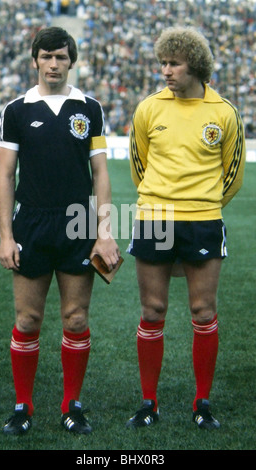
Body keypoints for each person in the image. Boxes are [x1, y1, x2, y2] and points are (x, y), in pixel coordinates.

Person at [0, 26, 120, 435]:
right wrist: (5, 236)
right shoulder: (16, 110)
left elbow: (100, 172)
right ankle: (23, 406)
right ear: (35, 60)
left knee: (75, 318)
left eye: (61, 57)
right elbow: (6, 175)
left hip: (78, 221)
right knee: (28, 319)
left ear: (71, 61)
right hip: (30, 222)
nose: (53, 64)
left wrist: (104, 231)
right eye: (46, 56)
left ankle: (72, 406)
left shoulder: (90, 108)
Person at [126, 26, 246, 430]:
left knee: (202, 310)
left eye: (173, 63)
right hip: (154, 217)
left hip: (203, 221)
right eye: (163, 63)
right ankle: (148, 402)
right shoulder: (148, 109)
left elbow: (233, 174)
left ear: (194, 65)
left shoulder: (224, 112)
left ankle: (202, 403)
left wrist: (202, 203)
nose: (165, 71)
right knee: (152, 310)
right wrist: (160, 201)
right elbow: (138, 164)